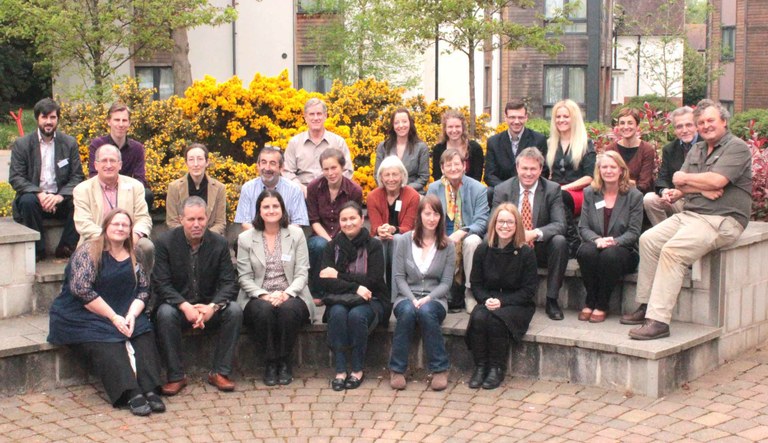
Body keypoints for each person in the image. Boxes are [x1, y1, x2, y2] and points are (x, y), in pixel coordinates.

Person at [623, 99, 752, 340]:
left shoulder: (737, 147)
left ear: (723, 121)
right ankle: (646, 304)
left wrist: (687, 180)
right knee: (649, 239)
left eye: (710, 120)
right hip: (691, 213)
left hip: (722, 219)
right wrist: (685, 187)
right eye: (701, 122)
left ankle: (659, 321)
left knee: (672, 250)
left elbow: (716, 182)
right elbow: (681, 182)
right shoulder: (698, 149)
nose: (706, 126)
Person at [48, 209, 164, 416]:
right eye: (115, 224)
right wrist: (113, 317)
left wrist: (131, 315)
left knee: (143, 331)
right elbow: (81, 290)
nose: (120, 228)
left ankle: (150, 388)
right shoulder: (89, 251)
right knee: (108, 339)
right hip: (84, 313)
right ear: (106, 227)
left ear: (130, 230)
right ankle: (131, 392)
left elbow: (144, 290)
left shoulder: (136, 254)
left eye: (125, 225)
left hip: (123, 308)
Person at [153, 197, 242, 394]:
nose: (196, 224)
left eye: (201, 219)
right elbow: (161, 282)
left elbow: (229, 282)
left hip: (209, 307)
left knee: (234, 310)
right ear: (181, 219)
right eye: (191, 219)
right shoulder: (165, 243)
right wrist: (184, 306)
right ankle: (176, 376)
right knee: (165, 314)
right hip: (179, 307)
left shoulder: (219, 243)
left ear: (208, 218)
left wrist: (212, 307)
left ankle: (220, 372)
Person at [236, 190, 313, 386]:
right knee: (264, 312)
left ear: (282, 209)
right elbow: (244, 277)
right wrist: (263, 295)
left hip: (292, 293)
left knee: (288, 311)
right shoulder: (245, 238)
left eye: (275, 206)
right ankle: (270, 362)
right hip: (258, 295)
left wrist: (287, 294)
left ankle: (285, 362)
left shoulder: (296, 235)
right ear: (259, 211)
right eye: (266, 207)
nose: (271, 210)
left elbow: (302, 272)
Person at [466, 203, 537, 390]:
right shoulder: (483, 250)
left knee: (497, 320)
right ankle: (481, 366)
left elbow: (529, 290)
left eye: (510, 222)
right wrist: (485, 300)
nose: (505, 226)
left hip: (517, 303)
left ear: (517, 225)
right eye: (501, 221)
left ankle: (496, 368)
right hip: (489, 299)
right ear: (494, 224)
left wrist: (502, 301)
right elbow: (476, 283)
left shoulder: (526, 253)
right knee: (479, 317)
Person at [492, 148, 568, 321]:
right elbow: (493, 223)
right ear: (517, 168)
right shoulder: (502, 189)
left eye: (533, 169)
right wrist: (514, 235)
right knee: (486, 242)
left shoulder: (552, 189)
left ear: (541, 169)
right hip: (511, 247)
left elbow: (560, 224)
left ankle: (551, 299)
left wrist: (534, 233)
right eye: (524, 168)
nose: (528, 173)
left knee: (560, 242)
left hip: (539, 247)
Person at [320, 202, 388, 391]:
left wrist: (340, 276)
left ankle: (357, 369)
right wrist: (356, 286)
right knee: (338, 314)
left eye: (352, 218)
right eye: (344, 219)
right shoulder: (332, 247)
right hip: (340, 298)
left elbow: (373, 280)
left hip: (371, 298)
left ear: (362, 219)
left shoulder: (373, 245)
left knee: (357, 316)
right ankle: (340, 370)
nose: (348, 223)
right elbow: (326, 281)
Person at [388, 195, 455, 391]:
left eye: (436, 214)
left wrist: (427, 298)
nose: (432, 218)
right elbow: (399, 277)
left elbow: (446, 283)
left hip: (435, 298)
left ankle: (440, 369)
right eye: (427, 213)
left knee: (426, 312)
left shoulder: (447, 245)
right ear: (419, 215)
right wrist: (412, 298)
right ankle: (397, 369)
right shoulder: (403, 241)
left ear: (441, 217)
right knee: (408, 312)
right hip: (406, 296)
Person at [9, 98, 83, 260]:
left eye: (53, 117)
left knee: (81, 201)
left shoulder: (69, 143)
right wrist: (40, 194)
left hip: (60, 198)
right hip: (35, 199)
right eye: (45, 117)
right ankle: (37, 250)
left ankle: (66, 247)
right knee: (27, 201)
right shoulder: (22, 144)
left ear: (57, 119)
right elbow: (16, 177)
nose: (48, 122)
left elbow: (77, 176)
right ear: (37, 119)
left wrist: (59, 197)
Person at [576, 151, 643, 323]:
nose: (608, 171)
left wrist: (614, 241)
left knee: (609, 254)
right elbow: (583, 227)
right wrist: (597, 240)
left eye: (613, 167)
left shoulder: (634, 195)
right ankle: (590, 300)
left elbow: (634, 232)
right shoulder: (590, 192)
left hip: (623, 250)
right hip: (596, 243)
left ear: (621, 170)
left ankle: (601, 304)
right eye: (604, 167)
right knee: (585, 252)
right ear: (599, 170)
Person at [73, 144, 154, 273]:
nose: (109, 165)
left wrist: (134, 235)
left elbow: (143, 218)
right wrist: (110, 238)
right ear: (96, 165)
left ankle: (144, 287)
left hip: (129, 238)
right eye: (104, 161)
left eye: (113, 160)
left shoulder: (135, 186)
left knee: (146, 246)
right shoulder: (82, 190)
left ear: (120, 164)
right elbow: (83, 223)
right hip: (97, 239)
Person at [427, 148, 489, 313]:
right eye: (449, 165)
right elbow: (427, 216)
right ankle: (438, 292)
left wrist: (462, 232)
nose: (453, 168)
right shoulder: (434, 188)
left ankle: (469, 293)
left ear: (464, 166)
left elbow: (482, 221)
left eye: (457, 164)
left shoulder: (478, 189)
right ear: (442, 168)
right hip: (441, 233)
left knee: (472, 241)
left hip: (467, 234)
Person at [306, 149, 363, 299]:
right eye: (326, 169)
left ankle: (341, 288)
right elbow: (314, 220)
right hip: (320, 235)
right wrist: (330, 241)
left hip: (346, 234)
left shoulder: (354, 190)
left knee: (345, 247)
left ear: (343, 167)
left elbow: (354, 219)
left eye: (334, 168)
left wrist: (339, 240)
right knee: (320, 246)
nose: (330, 173)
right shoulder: (313, 187)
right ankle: (318, 292)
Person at [89, 102, 153, 210]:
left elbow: (140, 179)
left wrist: (123, 190)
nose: (121, 124)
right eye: (117, 120)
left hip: (128, 191)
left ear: (129, 123)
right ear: (108, 121)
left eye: (124, 120)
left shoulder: (137, 148)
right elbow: (93, 174)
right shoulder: (97, 145)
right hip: (103, 190)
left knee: (147, 194)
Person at [366, 156, 420, 285]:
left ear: (402, 176)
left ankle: (396, 291)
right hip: (382, 239)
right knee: (378, 241)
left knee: (397, 239)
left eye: (395, 174)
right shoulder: (372, 196)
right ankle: (380, 288)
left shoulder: (412, 195)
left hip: (405, 239)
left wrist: (394, 229)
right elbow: (375, 227)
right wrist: (380, 230)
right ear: (381, 178)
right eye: (387, 175)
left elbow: (408, 227)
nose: (391, 179)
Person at [283, 98, 353, 197]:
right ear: (305, 117)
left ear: (325, 116)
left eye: (319, 114)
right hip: (302, 196)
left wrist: (333, 190)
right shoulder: (294, 143)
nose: (316, 118)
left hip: (332, 196)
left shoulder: (338, 142)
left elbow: (347, 171)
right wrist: (301, 189)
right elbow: (287, 172)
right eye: (311, 114)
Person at [643, 106, 699, 226]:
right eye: (679, 126)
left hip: (701, 201)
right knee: (650, 199)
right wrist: (665, 190)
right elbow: (663, 177)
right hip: (677, 201)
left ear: (696, 126)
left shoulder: (706, 145)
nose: (684, 130)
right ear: (674, 130)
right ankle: (665, 236)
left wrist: (682, 192)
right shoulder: (670, 149)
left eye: (688, 125)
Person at [235, 146, 308, 229]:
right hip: (255, 238)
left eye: (272, 163)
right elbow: (245, 223)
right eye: (263, 162)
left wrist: (277, 237)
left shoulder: (294, 189)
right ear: (258, 166)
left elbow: (298, 223)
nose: (267, 168)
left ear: (281, 168)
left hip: (286, 239)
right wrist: (264, 237)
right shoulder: (248, 188)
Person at [546, 99, 596, 218]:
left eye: (566, 116)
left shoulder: (586, 144)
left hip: (578, 192)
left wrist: (563, 188)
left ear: (574, 119)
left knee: (560, 197)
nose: (561, 120)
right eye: (558, 117)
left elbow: (589, 178)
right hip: (555, 190)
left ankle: (569, 235)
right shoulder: (549, 144)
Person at [166, 143, 227, 236]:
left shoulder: (219, 188)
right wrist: (190, 236)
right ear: (186, 163)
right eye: (191, 160)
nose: (195, 164)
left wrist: (204, 237)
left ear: (207, 162)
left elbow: (220, 222)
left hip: (210, 239)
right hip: (182, 239)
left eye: (200, 159)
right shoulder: (174, 187)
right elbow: (172, 222)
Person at [485, 100, 549, 188]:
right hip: (503, 191)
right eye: (512, 117)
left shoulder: (538, 140)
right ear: (506, 118)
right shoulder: (494, 142)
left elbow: (544, 171)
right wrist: (508, 189)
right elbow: (489, 175)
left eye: (520, 117)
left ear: (526, 117)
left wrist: (524, 188)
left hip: (531, 189)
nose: (516, 121)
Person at [374, 108, 430, 194]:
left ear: (410, 123)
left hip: (413, 194)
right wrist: (391, 188)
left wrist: (403, 189)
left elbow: (423, 177)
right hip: (388, 194)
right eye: (396, 122)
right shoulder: (383, 147)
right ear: (392, 125)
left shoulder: (421, 148)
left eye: (404, 121)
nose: (401, 125)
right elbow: (377, 175)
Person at [605, 107, 657, 194]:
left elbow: (644, 184)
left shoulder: (647, 150)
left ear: (637, 126)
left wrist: (623, 183)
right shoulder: (610, 149)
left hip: (640, 196)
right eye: (622, 123)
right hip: (614, 194)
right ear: (618, 126)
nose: (626, 127)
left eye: (630, 123)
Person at [431, 110, 484, 182]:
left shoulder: (475, 148)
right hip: (445, 190)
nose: (454, 130)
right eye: (450, 127)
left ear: (463, 128)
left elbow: (477, 178)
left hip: (470, 190)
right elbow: (437, 177)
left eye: (457, 126)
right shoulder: (438, 149)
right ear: (445, 129)